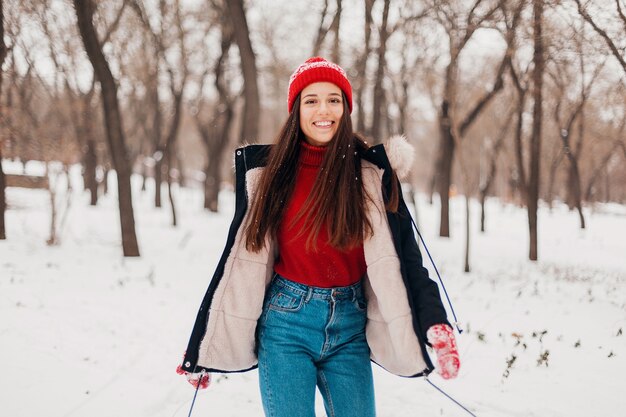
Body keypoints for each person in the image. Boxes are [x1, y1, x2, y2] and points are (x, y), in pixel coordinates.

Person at [177, 57, 460, 416]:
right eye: (311, 100)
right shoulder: (270, 175)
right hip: (285, 325)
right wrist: (200, 352)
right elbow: (237, 267)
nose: (323, 110)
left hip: (350, 328)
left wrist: (436, 321)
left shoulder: (372, 175)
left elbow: (407, 259)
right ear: (296, 110)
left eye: (333, 99)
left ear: (346, 108)